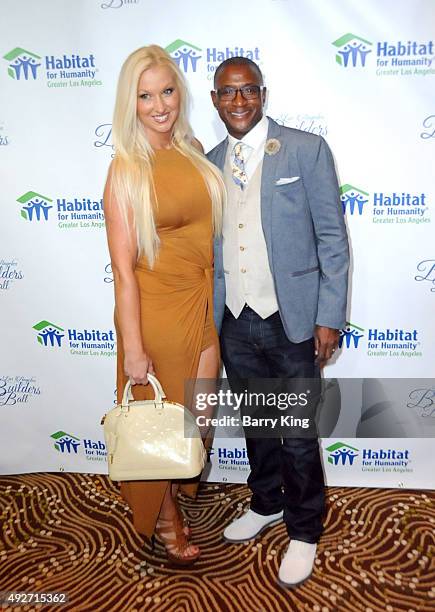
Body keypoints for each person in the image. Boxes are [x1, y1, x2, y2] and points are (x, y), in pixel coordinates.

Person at [208, 57, 349, 586]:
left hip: (292, 318)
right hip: (235, 319)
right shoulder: (211, 160)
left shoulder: (306, 149)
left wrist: (329, 316)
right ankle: (266, 502)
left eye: (247, 91)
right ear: (216, 99)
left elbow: (333, 239)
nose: (238, 102)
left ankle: (305, 528)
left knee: (295, 432)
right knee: (258, 427)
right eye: (227, 93)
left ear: (263, 94)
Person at [103, 45, 225, 565]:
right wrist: (133, 348)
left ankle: (177, 497)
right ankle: (166, 521)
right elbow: (123, 271)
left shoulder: (193, 147)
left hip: (202, 304)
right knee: (159, 421)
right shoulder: (125, 170)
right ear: (130, 103)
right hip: (156, 313)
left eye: (167, 91)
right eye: (145, 95)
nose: (159, 105)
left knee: (196, 419)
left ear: (180, 92)